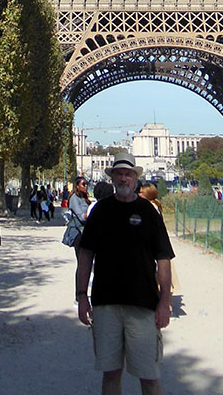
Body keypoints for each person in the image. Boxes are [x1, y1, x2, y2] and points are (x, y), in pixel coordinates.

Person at [76, 154, 174, 395]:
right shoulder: (100, 211)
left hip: (143, 304)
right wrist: (81, 296)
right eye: (118, 173)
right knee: (110, 374)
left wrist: (165, 301)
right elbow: (86, 255)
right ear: (112, 178)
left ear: (135, 178)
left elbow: (163, 258)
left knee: (149, 376)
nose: (123, 177)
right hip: (106, 304)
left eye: (128, 174)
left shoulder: (149, 212)